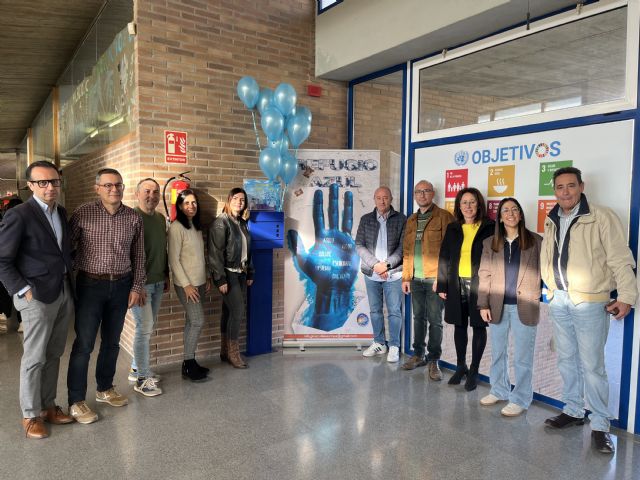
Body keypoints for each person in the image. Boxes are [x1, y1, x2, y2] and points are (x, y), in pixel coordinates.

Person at [541, 167, 637, 455]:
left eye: (571, 185)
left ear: (581, 187)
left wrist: (627, 296)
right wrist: (549, 288)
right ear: (555, 190)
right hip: (559, 300)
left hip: (590, 302)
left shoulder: (601, 216)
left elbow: (620, 258)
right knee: (566, 360)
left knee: (593, 366)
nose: (565, 192)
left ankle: (599, 425)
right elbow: (549, 256)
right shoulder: (551, 218)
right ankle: (573, 410)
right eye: (560, 187)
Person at [0, 161, 74, 438]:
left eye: (54, 181)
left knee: (54, 353)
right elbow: (2, 260)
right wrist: (22, 290)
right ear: (30, 185)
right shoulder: (19, 214)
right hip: (35, 296)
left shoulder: (60, 212)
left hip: (62, 290)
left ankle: (47, 406)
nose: (50, 187)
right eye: (42, 182)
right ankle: (30, 415)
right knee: (34, 357)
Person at [67, 168, 145, 424]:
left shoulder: (133, 217)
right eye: (108, 185)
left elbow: (139, 255)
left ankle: (105, 388)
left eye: (118, 185)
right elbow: (67, 249)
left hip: (121, 285)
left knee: (112, 342)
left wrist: (136, 286)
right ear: (97, 188)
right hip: (90, 285)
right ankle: (76, 401)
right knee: (84, 344)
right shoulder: (83, 213)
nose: (114, 189)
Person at [477, 197, 542, 417]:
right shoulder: (490, 243)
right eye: (505, 210)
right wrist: (483, 304)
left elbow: (547, 271)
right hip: (498, 306)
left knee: (522, 358)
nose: (510, 213)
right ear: (500, 217)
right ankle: (499, 390)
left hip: (525, 305)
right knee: (498, 353)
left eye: (515, 209)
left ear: (520, 214)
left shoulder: (536, 241)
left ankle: (521, 399)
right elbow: (484, 275)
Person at [436, 187, 494, 391]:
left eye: (472, 202)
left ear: (479, 204)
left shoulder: (489, 227)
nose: (468, 206)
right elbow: (444, 257)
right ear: (459, 206)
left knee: (478, 326)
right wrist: (442, 284)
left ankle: (474, 370)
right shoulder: (453, 228)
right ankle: (461, 366)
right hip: (456, 284)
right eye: (464, 203)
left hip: (479, 285)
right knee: (459, 326)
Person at [401, 180, 453, 380]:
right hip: (415, 278)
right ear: (414, 195)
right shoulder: (411, 220)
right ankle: (418, 355)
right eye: (418, 192)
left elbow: (449, 251)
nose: (422, 195)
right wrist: (406, 277)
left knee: (435, 321)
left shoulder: (444, 217)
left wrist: (442, 278)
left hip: (434, 279)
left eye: (426, 191)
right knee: (418, 318)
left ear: (432, 194)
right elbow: (407, 251)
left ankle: (434, 360)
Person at [355, 186, 406, 363]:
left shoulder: (401, 219)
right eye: (379, 198)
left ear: (391, 199)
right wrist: (376, 265)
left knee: (394, 311)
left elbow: (403, 246)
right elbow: (359, 245)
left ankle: (394, 346)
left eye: (385, 197)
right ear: (374, 199)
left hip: (393, 274)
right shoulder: (366, 219)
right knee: (375, 310)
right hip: (372, 274)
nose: (382, 201)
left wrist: (387, 265)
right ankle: (379, 343)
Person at [128, 178, 167, 397]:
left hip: (159, 282)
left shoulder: (160, 219)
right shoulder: (131, 218)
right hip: (141, 285)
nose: (151, 196)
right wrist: (137, 285)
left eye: (155, 192)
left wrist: (165, 275)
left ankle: (137, 368)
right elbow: (127, 255)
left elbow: (161, 249)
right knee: (144, 328)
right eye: (147, 191)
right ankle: (142, 379)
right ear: (137, 194)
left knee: (147, 327)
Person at [209, 187, 254, 369]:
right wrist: (220, 279)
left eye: (242, 200)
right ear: (229, 200)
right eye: (235, 198)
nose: (239, 202)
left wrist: (250, 272)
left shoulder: (241, 223)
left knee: (228, 312)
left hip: (241, 273)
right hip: (228, 274)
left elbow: (247, 250)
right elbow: (215, 254)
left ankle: (224, 351)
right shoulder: (221, 223)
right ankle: (233, 353)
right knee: (238, 310)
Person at [169, 189, 210, 381]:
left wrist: (206, 277)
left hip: (199, 282)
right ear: (179, 206)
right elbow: (174, 260)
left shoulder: (196, 226)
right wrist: (186, 285)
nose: (191, 206)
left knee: (191, 322)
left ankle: (189, 363)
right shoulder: (176, 227)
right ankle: (188, 362)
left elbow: (200, 256)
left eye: (194, 203)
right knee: (197, 321)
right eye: (186, 203)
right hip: (186, 285)